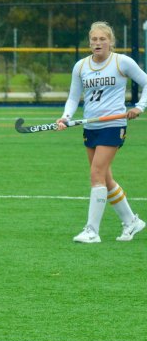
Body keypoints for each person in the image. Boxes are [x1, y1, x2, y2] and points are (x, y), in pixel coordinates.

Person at [56, 21, 147, 243]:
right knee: (105, 178)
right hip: (91, 127)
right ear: (89, 43)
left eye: (102, 39)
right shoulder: (81, 66)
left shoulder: (121, 62)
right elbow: (72, 97)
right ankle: (131, 221)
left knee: (96, 174)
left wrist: (139, 106)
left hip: (113, 125)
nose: (98, 43)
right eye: (94, 40)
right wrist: (65, 117)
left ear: (111, 42)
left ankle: (92, 231)